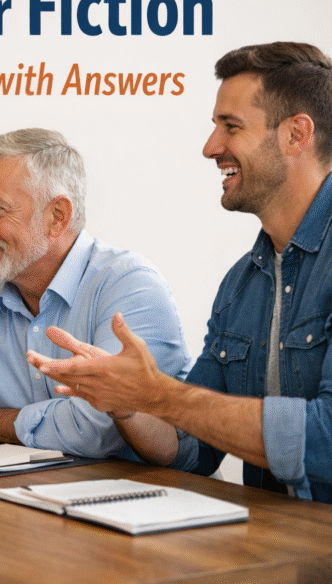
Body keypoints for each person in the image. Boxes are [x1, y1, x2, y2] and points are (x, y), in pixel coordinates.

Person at [31, 42, 332, 502]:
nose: (211, 147)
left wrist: (160, 395)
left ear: (296, 135)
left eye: (230, 127)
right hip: (280, 549)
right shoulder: (241, 284)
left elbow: (326, 439)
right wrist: (126, 402)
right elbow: (190, 448)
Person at [0, 128, 190, 457]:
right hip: (28, 497)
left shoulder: (130, 285)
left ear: (57, 217)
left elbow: (96, 428)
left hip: (145, 499)